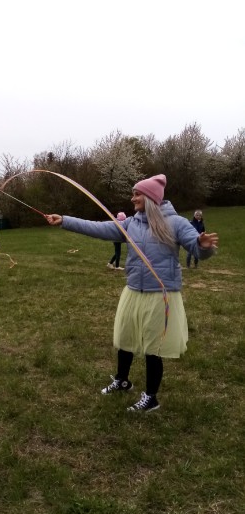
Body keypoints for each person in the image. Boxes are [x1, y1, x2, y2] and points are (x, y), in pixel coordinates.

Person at [46, 174, 219, 412]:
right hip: (133, 289)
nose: (132, 198)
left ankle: (151, 397)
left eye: (137, 194)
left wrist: (203, 246)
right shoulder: (131, 224)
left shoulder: (176, 223)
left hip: (160, 294)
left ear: (149, 197)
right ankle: (122, 380)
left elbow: (197, 249)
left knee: (153, 348)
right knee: (125, 340)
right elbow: (98, 228)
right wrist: (64, 220)